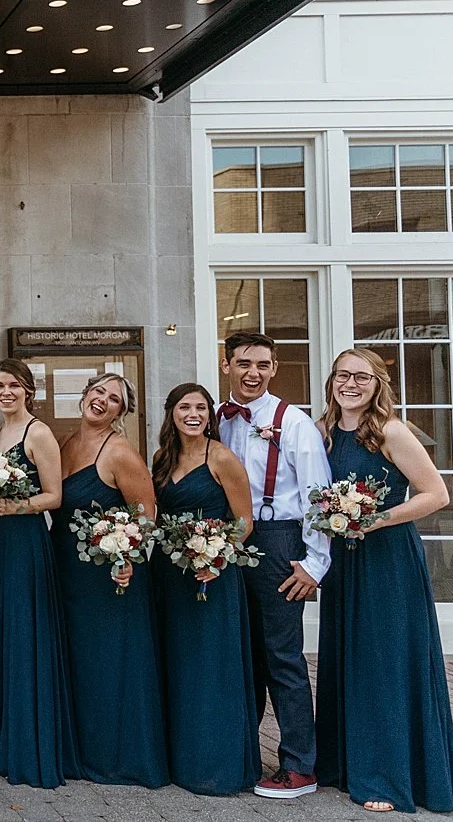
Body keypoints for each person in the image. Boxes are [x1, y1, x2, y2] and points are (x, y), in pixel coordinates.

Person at [314, 348, 453, 813]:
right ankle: (344, 763)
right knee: (347, 655)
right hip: (343, 560)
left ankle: (387, 775)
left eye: (362, 377)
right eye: (343, 376)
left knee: (383, 661)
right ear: (332, 382)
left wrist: (376, 519)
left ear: (379, 384)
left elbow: (436, 494)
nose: (351, 385)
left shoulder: (391, 432)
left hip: (386, 560)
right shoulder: (321, 432)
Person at [216, 331, 331, 798]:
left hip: (280, 541)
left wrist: (314, 563)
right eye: (244, 363)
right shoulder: (216, 421)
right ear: (227, 366)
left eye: (263, 364)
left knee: (283, 657)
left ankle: (300, 767)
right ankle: (243, 754)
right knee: (241, 655)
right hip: (228, 542)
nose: (253, 373)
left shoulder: (294, 422)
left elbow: (317, 496)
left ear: (274, 368)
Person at [52, 372, 168, 788]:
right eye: (98, 391)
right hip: (66, 569)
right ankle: (78, 751)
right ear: (85, 394)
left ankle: (116, 757)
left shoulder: (120, 453)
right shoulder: (66, 443)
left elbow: (147, 516)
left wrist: (128, 557)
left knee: (109, 663)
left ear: (122, 412)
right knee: (77, 661)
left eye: (114, 399)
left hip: (109, 575)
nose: (102, 400)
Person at [0, 360, 76, 788]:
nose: (6, 392)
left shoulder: (39, 432)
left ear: (28, 390)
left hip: (27, 544)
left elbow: (55, 496)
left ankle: (28, 742)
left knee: (23, 632)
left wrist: (16, 506)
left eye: (14, 385)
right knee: (1, 632)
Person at [151, 383, 258, 795]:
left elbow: (244, 521)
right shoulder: (163, 458)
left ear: (210, 414)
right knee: (177, 662)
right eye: (184, 407)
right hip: (171, 576)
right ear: (172, 413)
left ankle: (216, 764)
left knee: (210, 667)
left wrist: (218, 557)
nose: (192, 414)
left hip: (211, 576)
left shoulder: (223, 458)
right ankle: (181, 758)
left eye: (200, 407)